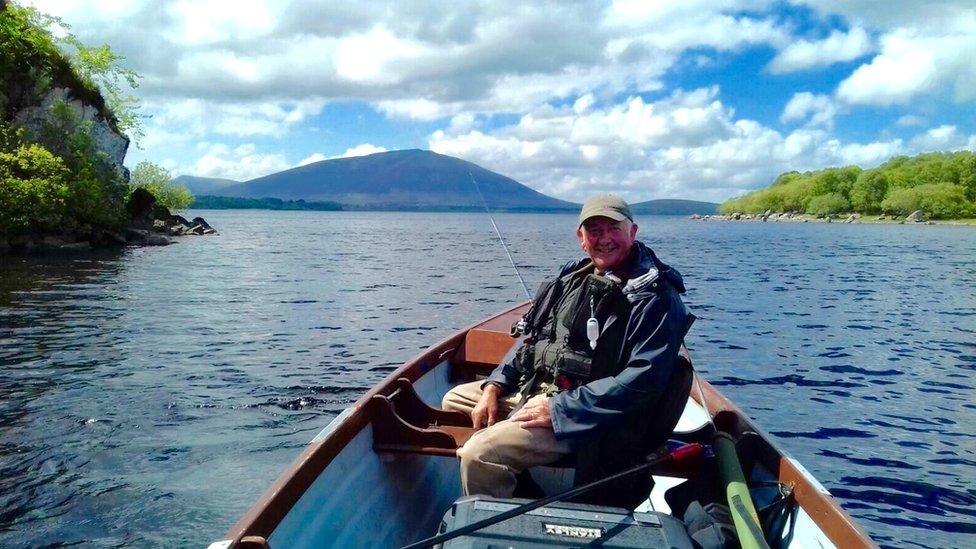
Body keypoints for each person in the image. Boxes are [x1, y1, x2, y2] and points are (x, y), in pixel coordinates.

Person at [442, 194, 696, 508]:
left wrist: (559, 409)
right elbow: (533, 342)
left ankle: (497, 517)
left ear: (633, 232)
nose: (604, 239)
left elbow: (643, 382)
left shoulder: (655, 298)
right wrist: (494, 384)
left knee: (479, 453)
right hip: (547, 392)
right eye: (594, 231)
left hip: (596, 418)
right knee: (453, 400)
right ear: (581, 238)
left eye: (613, 229)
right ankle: (522, 495)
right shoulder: (572, 279)